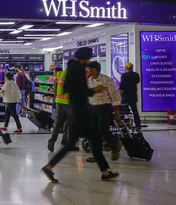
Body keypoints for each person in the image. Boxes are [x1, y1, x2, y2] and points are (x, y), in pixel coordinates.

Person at [41, 47, 119, 183]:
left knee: (93, 141)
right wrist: (95, 89)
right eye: (88, 58)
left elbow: (69, 89)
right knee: (78, 142)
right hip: (81, 112)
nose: (89, 61)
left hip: (78, 110)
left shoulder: (71, 69)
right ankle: (49, 166)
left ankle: (105, 171)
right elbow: (82, 91)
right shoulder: (78, 70)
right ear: (85, 58)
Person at [86, 61, 122, 162]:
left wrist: (117, 112)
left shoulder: (106, 80)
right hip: (92, 108)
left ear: (94, 69)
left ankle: (115, 148)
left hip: (104, 108)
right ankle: (97, 155)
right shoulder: (89, 80)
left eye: (88, 69)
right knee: (93, 133)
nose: (87, 70)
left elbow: (115, 96)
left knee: (103, 129)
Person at [48, 63, 78, 152]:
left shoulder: (60, 74)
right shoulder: (73, 76)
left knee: (59, 123)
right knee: (70, 124)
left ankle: (52, 140)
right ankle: (68, 143)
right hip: (68, 102)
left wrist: (55, 100)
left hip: (59, 101)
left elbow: (57, 87)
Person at [119, 62, 143, 129]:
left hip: (125, 96)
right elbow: (138, 81)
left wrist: (119, 95)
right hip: (133, 96)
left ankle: (122, 124)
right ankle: (138, 125)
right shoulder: (136, 75)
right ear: (132, 68)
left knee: (123, 111)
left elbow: (122, 86)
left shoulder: (124, 75)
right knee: (135, 111)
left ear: (126, 68)